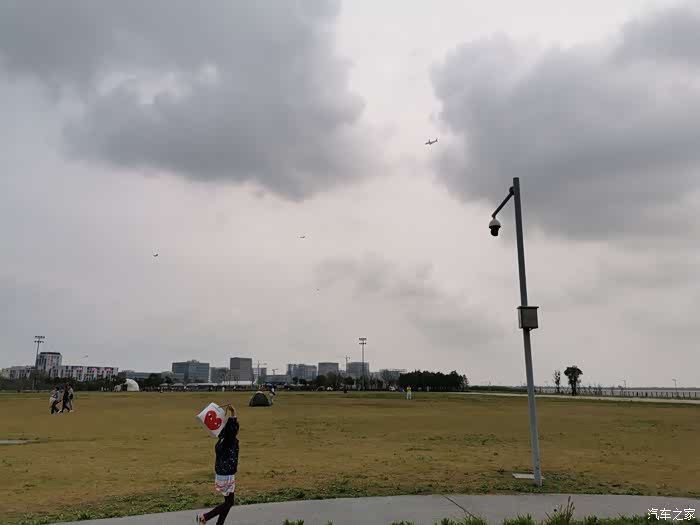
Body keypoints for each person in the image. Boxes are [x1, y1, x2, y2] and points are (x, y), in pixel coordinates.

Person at [196, 405, 239, 525]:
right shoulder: (228, 441)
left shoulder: (221, 440)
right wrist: (233, 413)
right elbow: (233, 428)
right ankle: (204, 517)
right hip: (226, 475)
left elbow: (232, 429)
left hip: (222, 474)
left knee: (228, 502)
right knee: (229, 502)